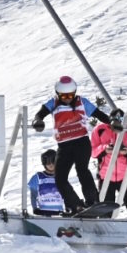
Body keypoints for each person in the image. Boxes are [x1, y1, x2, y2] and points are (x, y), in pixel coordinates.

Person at [31, 76, 120, 215]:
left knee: (82, 170)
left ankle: (92, 200)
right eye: (64, 95)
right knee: (60, 178)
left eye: (71, 95)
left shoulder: (82, 102)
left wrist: (112, 122)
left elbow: (99, 114)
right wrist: (38, 121)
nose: (67, 98)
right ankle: (76, 205)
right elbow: (40, 114)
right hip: (64, 146)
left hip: (81, 143)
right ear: (58, 94)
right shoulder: (53, 103)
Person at [91, 121, 127, 213]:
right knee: (106, 212)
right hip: (106, 176)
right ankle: (105, 226)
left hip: (125, 177)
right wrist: (105, 149)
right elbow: (93, 152)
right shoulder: (100, 129)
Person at [27, 148, 65, 216]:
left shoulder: (61, 177)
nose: (51, 165)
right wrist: (35, 208)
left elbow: (66, 194)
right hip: (44, 213)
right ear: (44, 163)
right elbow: (33, 195)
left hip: (59, 213)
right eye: (48, 162)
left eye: (53, 161)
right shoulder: (38, 177)